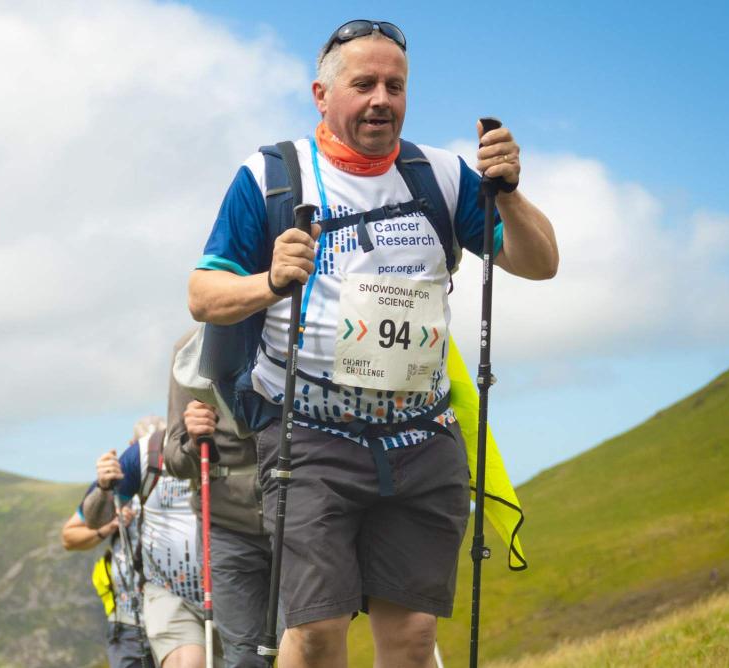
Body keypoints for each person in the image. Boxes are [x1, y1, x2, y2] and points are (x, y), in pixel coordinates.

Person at [184, 19, 561, 668]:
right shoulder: (274, 177)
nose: (382, 99)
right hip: (309, 438)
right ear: (322, 95)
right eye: (363, 84)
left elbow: (539, 262)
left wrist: (510, 196)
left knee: (413, 638)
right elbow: (203, 294)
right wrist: (271, 282)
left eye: (396, 85)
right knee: (318, 632)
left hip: (421, 438)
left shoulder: (439, 177)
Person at [162, 328, 271, 668]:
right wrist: (195, 439)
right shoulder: (190, 350)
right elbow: (175, 461)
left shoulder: (294, 331)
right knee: (243, 656)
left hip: (295, 516)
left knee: (305, 641)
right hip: (225, 526)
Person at [83, 416, 209, 667]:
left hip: (229, 592)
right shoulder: (135, 466)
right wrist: (107, 507)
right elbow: (78, 528)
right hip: (148, 605)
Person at [62, 441, 153, 668]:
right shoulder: (119, 485)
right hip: (128, 620)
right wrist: (109, 526)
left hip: (180, 613)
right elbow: (69, 537)